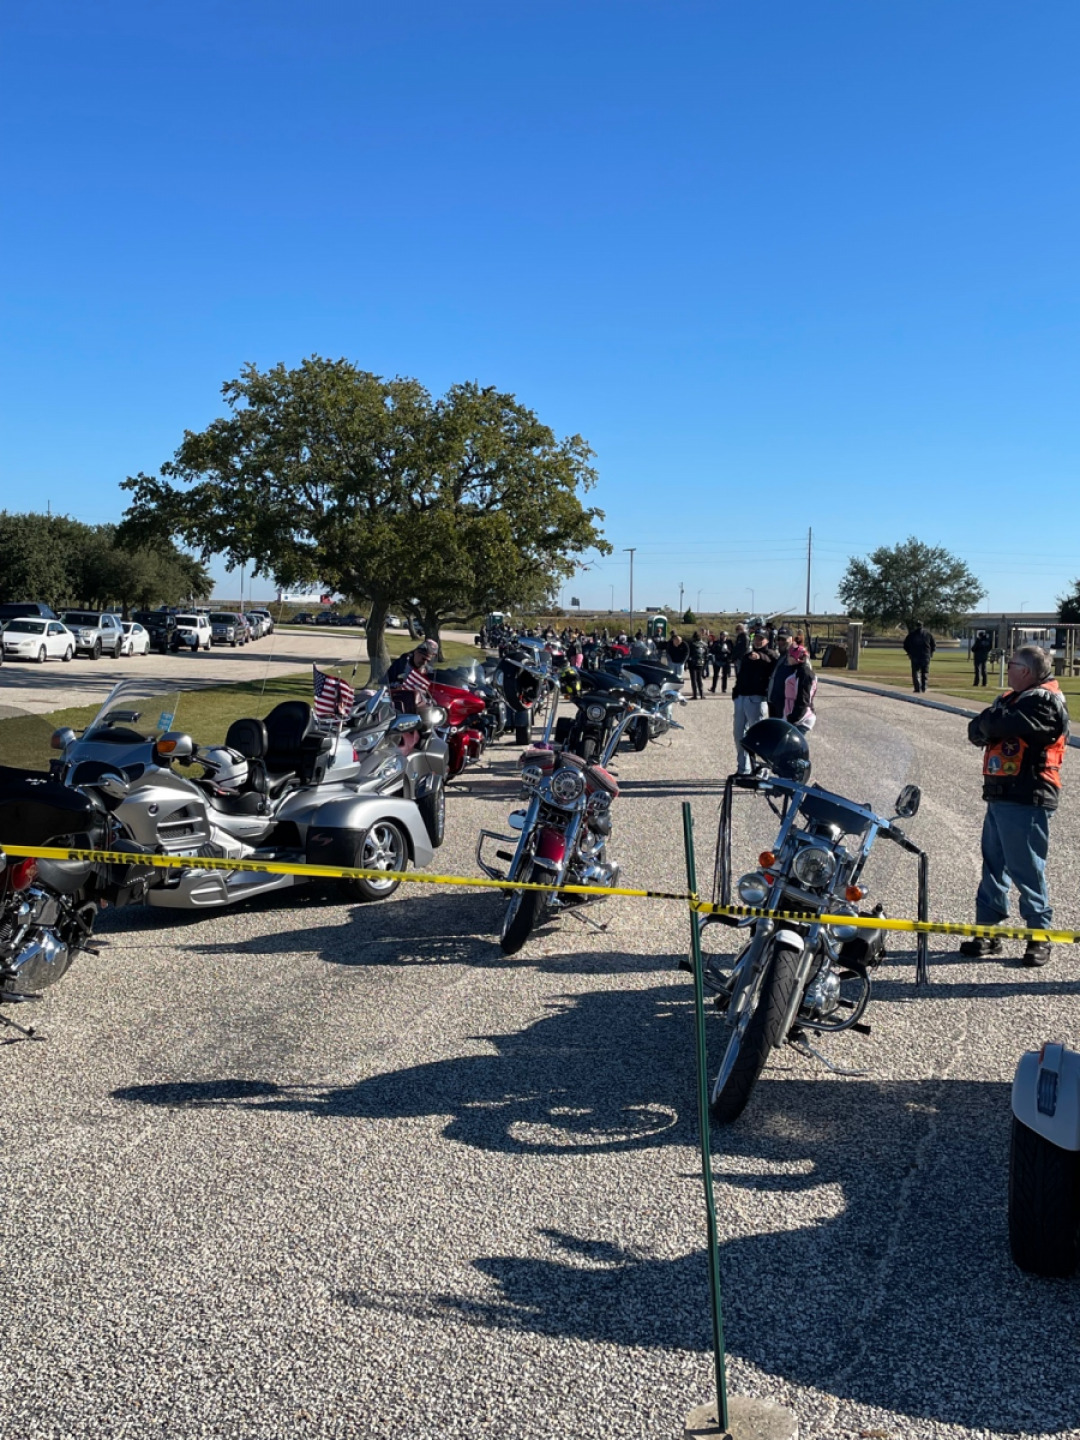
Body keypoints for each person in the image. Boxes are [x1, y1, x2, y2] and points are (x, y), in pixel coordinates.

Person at [959, 645, 1069, 966]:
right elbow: (976, 730)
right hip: (1000, 794)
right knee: (993, 865)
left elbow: (1004, 726)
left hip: (1028, 795)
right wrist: (992, 720)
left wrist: (992, 720)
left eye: (1011, 664)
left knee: (1026, 868)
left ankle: (1039, 935)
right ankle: (987, 932)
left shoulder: (1045, 702)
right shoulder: (1012, 700)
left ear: (1026, 671)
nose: (1006, 668)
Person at [731, 629, 778, 774]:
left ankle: (761, 770)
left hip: (757, 699)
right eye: (756, 638)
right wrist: (736, 693)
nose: (758, 641)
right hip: (742, 697)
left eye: (761, 639)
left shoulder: (771, 655)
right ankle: (743, 768)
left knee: (758, 736)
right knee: (739, 734)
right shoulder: (748, 655)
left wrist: (760, 657)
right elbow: (741, 675)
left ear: (767, 640)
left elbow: (771, 663)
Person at [767, 629, 817, 729]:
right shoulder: (780, 656)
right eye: (778, 639)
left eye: (783, 639)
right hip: (775, 703)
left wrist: (796, 714)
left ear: (791, 640)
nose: (780, 642)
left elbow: (805, 687)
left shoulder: (798, 658)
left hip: (787, 707)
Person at [903, 622, 936, 693]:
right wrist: (931, 653)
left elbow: (905, 645)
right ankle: (924, 687)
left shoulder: (911, 635)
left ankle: (917, 688)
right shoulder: (928, 634)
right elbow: (933, 645)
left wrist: (909, 652)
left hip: (915, 655)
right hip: (925, 656)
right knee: (925, 672)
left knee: (915, 672)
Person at [687, 631, 707, 699]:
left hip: (692, 662)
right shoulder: (704, 644)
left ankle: (695, 695)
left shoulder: (691, 644)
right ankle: (702, 694)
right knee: (699, 679)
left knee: (693, 679)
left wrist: (686, 663)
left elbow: (688, 653)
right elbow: (706, 654)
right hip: (701, 662)